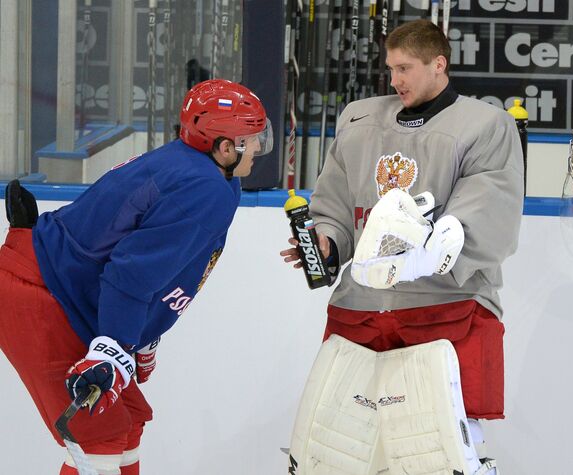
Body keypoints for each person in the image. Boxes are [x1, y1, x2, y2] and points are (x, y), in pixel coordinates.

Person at [281, 19, 523, 474]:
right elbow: (335, 205)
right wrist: (327, 244)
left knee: (442, 455)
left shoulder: (485, 126)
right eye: (390, 68)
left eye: (405, 68)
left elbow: (484, 217)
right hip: (363, 307)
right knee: (335, 456)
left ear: (438, 64)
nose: (395, 80)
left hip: (446, 306)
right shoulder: (359, 119)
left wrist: (418, 258)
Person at [0, 79, 272, 475]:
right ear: (225, 147)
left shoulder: (203, 173)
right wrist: (114, 344)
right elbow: (131, 271)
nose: (261, 147)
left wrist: (137, 336)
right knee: (99, 438)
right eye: (253, 137)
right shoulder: (204, 186)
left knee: (127, 422)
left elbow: (154, 262)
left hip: (63, 290)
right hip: (42, 293)